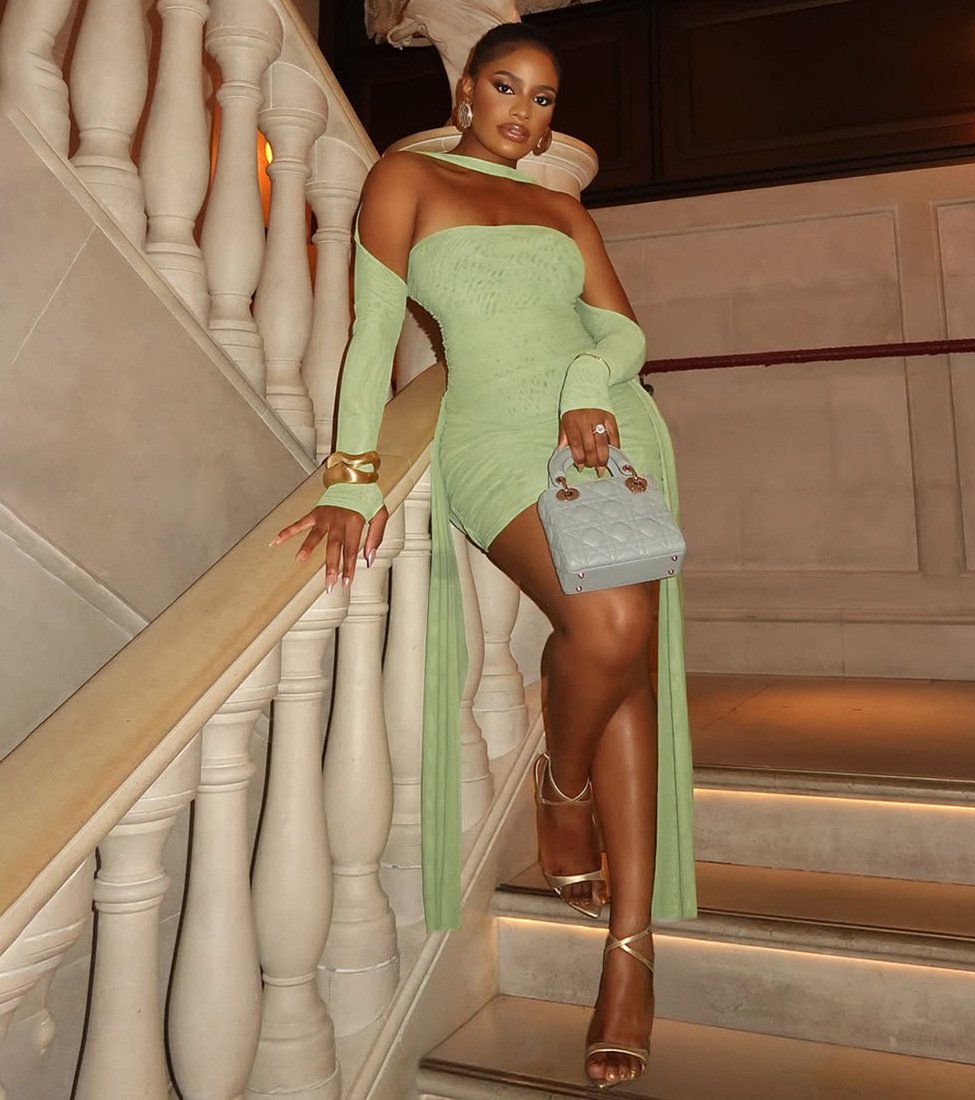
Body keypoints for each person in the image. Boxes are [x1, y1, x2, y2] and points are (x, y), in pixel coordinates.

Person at [273, 23, 696, 1090]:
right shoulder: (405, 178)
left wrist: (589, 388)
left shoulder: (562, 208)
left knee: (627, 648)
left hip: (604, 430)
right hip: (496, 438)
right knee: (611, 627)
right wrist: (352, 476)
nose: (524, 110)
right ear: (466, 89)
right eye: (506, 86)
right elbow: (373, 333)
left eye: (544, 98)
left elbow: (624, 333)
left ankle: (630, 949)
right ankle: (561, 785)